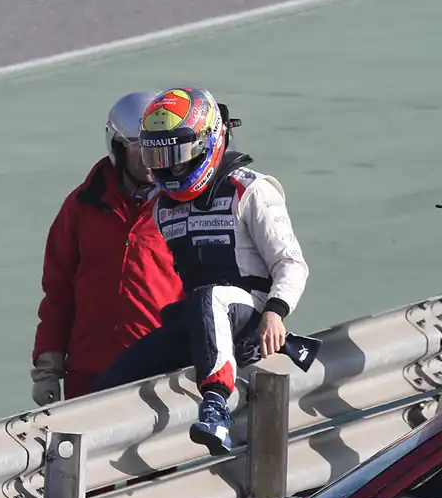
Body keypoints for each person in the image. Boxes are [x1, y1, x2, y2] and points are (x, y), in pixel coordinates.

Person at [91, 85, 309, 456]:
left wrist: (275, 313)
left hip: (251, 315)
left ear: (207, 142)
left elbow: (290, 263)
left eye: (177, 153)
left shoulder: (251, 190)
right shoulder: (163, 205)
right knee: (113, 381)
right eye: (157, 155)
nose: (167, 167)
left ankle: (216, 405)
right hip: (204, 319)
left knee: (211, 296)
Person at [30, 91, 186, 406]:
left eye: (160, 149)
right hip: (90, 377)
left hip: (164, 373)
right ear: (118, 149)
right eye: (141, 149)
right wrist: (48, 368)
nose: (152, 160)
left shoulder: (186, 206)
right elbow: (57, 292)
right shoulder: (80, 206)